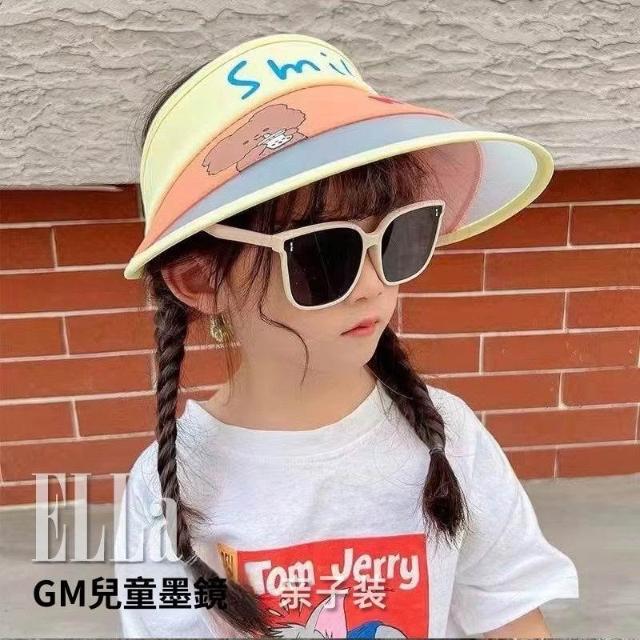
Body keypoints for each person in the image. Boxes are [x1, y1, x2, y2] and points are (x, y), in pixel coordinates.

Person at [113, 32, 579, 638]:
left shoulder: (448, 436)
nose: (373, 284)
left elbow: (509, 613)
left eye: (399, 236)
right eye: (323, 255)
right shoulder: (172, 484)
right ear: (201, 281)